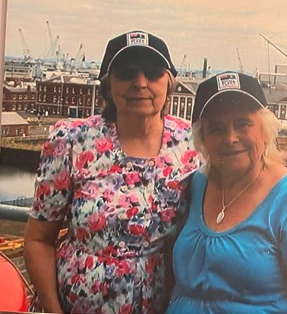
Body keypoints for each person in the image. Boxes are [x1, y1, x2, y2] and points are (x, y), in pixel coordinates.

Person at [24, 30, 199, 314]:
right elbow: (38, 239)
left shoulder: (192, 144)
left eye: (153, 72)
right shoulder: (72, 140)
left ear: (170, 81)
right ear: (107, 84)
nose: (139, 83)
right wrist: (54, 309)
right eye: (126, 73)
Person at [166, 71, 287, 313]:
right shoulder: (197, 185)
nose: (231, 137)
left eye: (243, 124)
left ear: (266, 130)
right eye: (216, 128)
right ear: (202, 138)